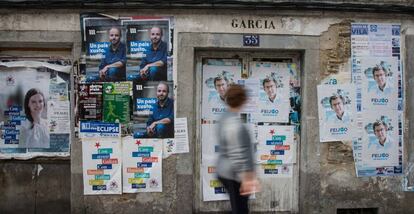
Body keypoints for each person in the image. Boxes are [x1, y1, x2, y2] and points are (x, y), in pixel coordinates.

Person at [216, 84, 260, 214]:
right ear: (242, 100)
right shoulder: (234, 124)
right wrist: (247, 177)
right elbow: (236, 153)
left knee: (239, 207)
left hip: (226, 171)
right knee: (240, 209)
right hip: (234, 174)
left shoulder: (225, 118)